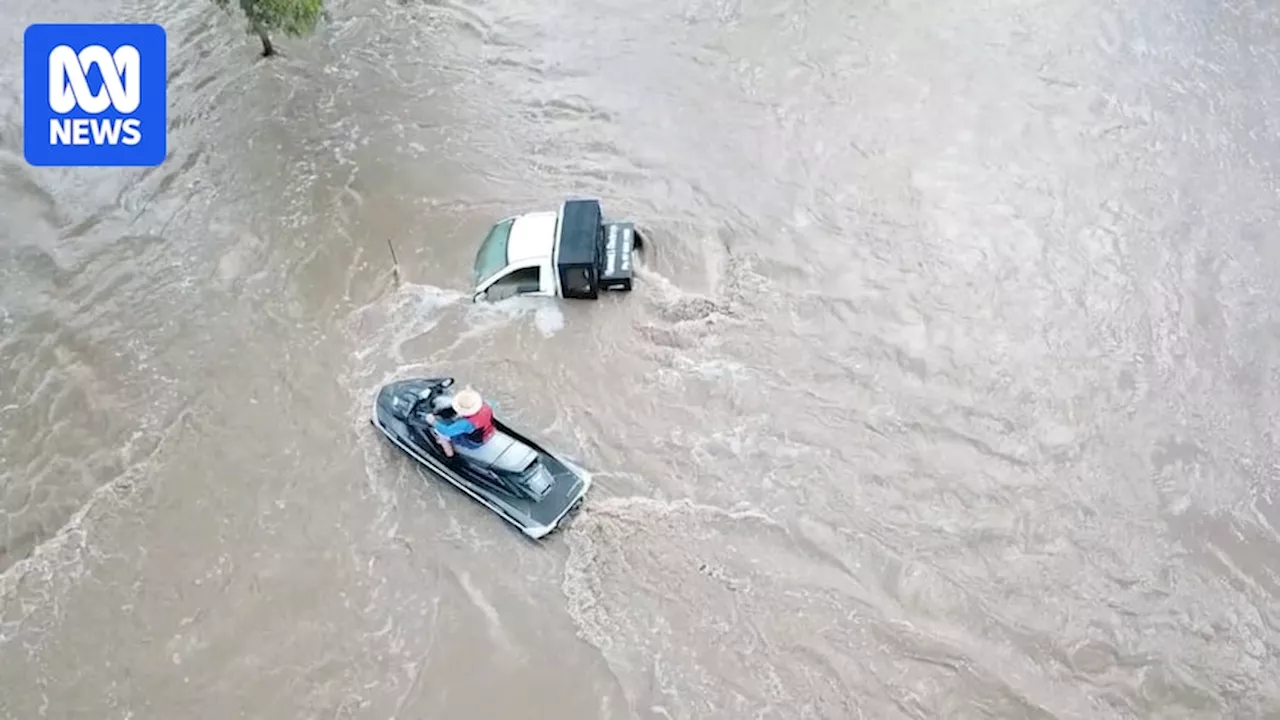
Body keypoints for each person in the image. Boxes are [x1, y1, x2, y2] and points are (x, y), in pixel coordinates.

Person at [425, 386, 495, 457]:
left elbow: (447, 431)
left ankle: (449, 453)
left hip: (474, 442)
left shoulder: (466, 423)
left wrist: (433, 421)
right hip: (489, 432)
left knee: (441, 433)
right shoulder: (485, 406)